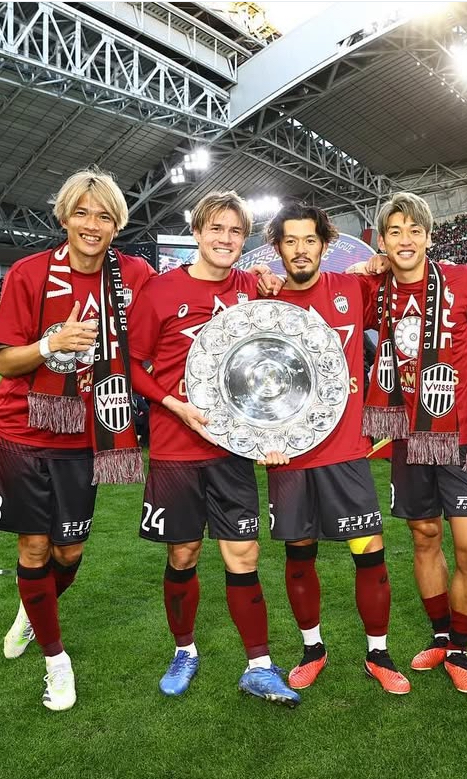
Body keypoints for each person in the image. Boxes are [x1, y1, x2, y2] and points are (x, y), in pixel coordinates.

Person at [0, 167, 153, 711]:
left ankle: (33, 609)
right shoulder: (29, 273)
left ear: (117, 224)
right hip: (20, 429)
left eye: (104, 216)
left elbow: (183, 299)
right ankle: (57, 661)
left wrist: (254, 279)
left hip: (88, 433)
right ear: (64, 218)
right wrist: (50, 344)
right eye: (81, 212)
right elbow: (6, 363)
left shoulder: (136, 275)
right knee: (34, 546)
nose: (92, 225)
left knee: (70, 549)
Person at [127, 191, 300, 706]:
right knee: (183, 552)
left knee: (243, 554)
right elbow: (132, 364)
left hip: (232, 449)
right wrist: (173, 405)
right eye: (216, 229)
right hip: (176, 446)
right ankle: (184, 650)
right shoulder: (161, 291)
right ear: (197, 233)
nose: (226, 239)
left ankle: (260, 666)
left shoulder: (252, 287)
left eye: (235, 231)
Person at [258, 203, 409, 696]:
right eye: (290, 241)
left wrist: (381, 261)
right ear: (277, 247)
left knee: (370, 554)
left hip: (345, 452)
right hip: (290, 455)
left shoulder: (353, 288)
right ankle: (312, 650)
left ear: (325, 245)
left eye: (310, 240)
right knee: (300, 556)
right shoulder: (264, 303)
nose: (300, 250)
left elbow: (407, 277)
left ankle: (378, 654)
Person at [352, 192, 467, 693]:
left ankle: (461, 648)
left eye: (415, 230)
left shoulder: (465, 279)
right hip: (409, 439)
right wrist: (365, 269)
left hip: (463, 437)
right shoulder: (374, 289)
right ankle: (441, 636)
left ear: (430, 236)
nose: (406, 239)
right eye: (395, 231)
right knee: (425, 536)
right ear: (382, 241)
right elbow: (325, 296)